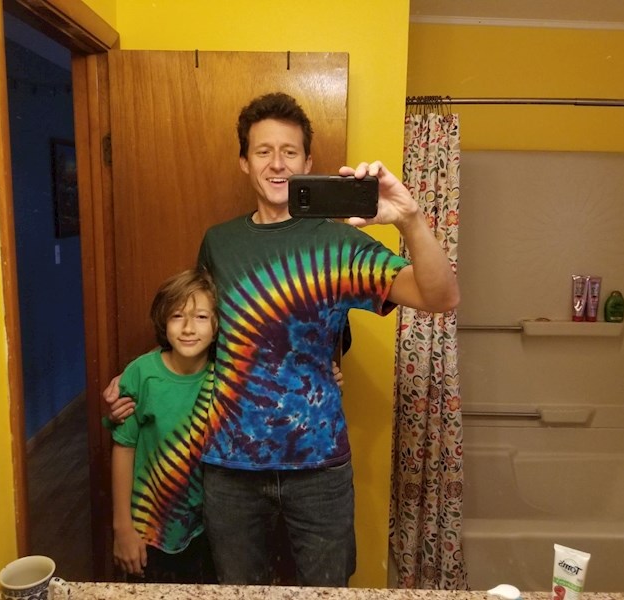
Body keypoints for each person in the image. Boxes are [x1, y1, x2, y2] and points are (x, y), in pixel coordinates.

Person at [107, 92, 459, 587]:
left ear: (307, 163)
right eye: (263, 151)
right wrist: (137, 380)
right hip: (228, 466)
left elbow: (440, 296)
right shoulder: (218, 242)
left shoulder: (337, 243)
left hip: (318, 468)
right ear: (244, 162)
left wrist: (409, 217)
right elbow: (201, 329)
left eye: (289, 152)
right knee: (238, 593)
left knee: (326, 592)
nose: (277, 163)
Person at [108, 268, 218, 583]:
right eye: (177, 316)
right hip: (149, 529)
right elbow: (124, 448)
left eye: (200, 317)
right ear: (163, 321)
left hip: (208, 530)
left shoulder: (226, 375)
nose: (188, 328)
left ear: (216, 325)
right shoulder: (141, 374)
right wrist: (122, 528)